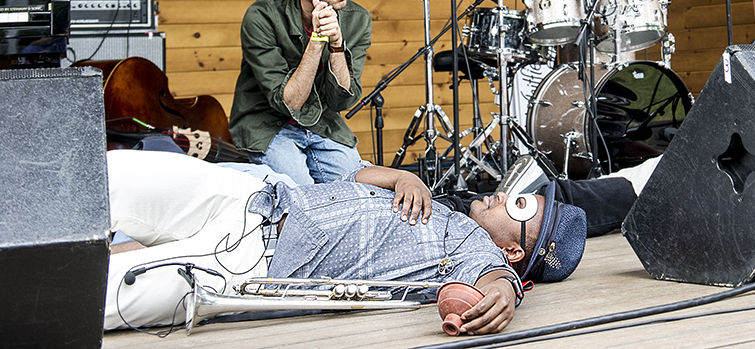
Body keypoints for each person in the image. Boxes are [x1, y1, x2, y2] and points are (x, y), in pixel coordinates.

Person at [103, 151, 586, 333]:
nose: (506, 194)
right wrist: (399, 176)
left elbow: (495, 281)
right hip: (252, 197)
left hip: (249, 261)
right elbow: (353, 174)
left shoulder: (473, 246)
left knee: (91, 293)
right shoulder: (440, 207)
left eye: (520, 207)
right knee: (103, 173)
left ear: (515, 250)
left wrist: (504, 295)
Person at [230, 0, 370, 184]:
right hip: (269, 124)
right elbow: (290, 102)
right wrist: (317, 40)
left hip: (323, 123)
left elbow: (342, 100)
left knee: (355, 192)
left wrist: (337, 45)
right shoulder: (262, 17)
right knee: (300, 196)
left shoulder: (358, 19)